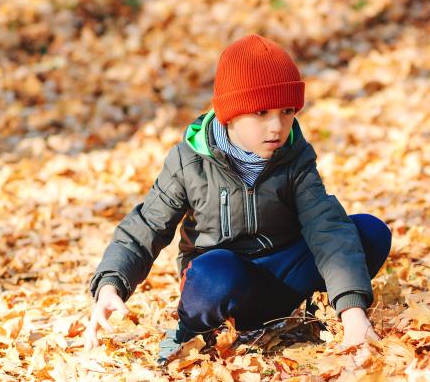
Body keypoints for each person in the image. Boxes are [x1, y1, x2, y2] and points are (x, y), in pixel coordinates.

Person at [84, 34, 392, 363]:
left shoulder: (293, 157)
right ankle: (193, 331)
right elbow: (145, 226)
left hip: (286, 274)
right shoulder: (190, 162)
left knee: (366, 232)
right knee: (213, 273)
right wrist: (111, 285)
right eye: (261, 113)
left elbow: (325, 226)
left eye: (287, 111)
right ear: (230, 115)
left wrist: (353, 315)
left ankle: (315, 307)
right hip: (229, 283)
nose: (277, 126)